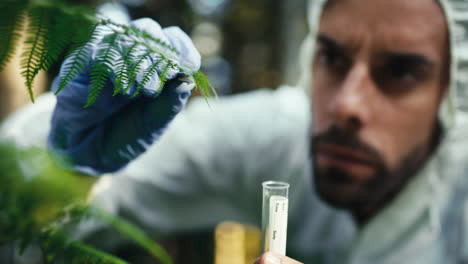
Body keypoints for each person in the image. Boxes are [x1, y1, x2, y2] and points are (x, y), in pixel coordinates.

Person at [2, 0, 468, 263]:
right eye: (333, 58)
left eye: (401, 72)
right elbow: (16, 209)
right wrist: (63, 161)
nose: (347, 104)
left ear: (454, 91)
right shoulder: (283, 136)